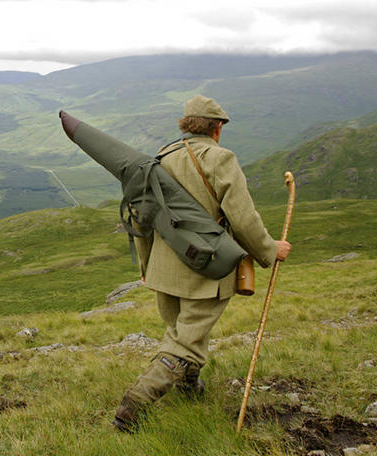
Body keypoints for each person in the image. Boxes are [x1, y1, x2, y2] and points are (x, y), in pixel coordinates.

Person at [109, 95, 292, 432]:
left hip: (165, 269)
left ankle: (189, 387)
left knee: (181, 332)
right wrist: (270, 250)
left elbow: (141, 216)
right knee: (186, 342)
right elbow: (243, 217)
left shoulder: (161, 157)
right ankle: (133, 405)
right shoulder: (219, 158)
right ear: (217, 128)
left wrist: (148, 268)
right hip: (205, 269)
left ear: (186, 124)